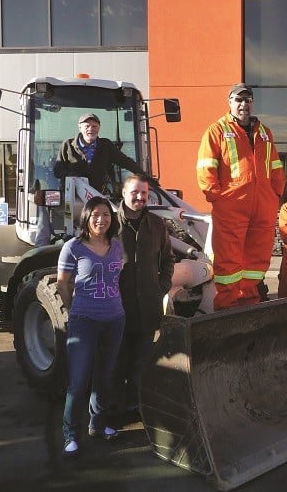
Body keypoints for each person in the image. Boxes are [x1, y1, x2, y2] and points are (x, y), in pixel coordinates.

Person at [197, 83, 285, 310]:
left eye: (247, 100)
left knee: (256, 261)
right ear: (230, 102)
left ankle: (249, 306)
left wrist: (275, 194)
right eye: (238, 100)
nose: (243, 104)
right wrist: (218, 197)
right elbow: (206, 167)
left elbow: (276, 167)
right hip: (231, 206)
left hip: (262, 206)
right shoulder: (216, 131)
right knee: (228, 261)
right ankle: (227, 310)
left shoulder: (265, 133)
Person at [56, 196, 125, 458]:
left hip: (115, 319)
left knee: (105, 376)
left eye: (106, 214)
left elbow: (119, 277)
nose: (101, 219)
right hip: (84, 321)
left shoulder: (117, 246)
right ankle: (70, 434)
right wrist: (73, 309)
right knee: (78, 381)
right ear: (86, 217)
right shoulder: (73, 247)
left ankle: (97, 424)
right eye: (95, 214)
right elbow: (63, 284)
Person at [116, 174, 174, 415]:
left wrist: (161, 286)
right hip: (117, 307)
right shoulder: (110, 224)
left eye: (144, 193)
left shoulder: (156, 225)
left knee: (141, 361)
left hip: (147, 308)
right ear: (123, 194)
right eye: (135, 193)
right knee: (117, 363)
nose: (140, 197)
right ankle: (114, 412)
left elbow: (168, 259)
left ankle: (135, 405)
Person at [54, 113, 148, 194]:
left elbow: (125, 162)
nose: (91, 129)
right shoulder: (68, 145)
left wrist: (145, 177)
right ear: (80, 127)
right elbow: (57, 171)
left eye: (94, 126)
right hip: (71, 195)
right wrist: (75, 177)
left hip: (97, 195)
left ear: (99, 127)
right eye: (87, 126)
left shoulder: (106, 145)